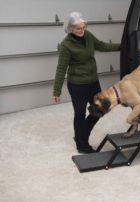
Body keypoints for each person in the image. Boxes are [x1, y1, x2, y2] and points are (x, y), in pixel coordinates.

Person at [52, 12, 121, 153]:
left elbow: (102, 46)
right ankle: (82, 145)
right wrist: (56, 91)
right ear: (71, 28)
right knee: (80, 113)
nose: (82, 31)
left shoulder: (88, 36)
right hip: (77, 85)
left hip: (93, 82)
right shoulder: (66, 45)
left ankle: (80, 135)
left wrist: (122, 46)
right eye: (78, 28)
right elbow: (61, 68)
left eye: (83, 27)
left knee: (101, 108)